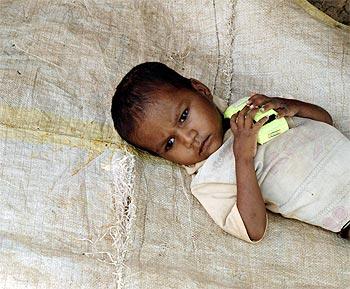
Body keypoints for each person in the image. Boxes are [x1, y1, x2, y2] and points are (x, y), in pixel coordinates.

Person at [111, 62, 350, 243]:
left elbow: (325, 121)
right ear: (163, 157)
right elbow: (253, 228)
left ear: (201, 90)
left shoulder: (248, 110)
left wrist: (292, 106)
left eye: (184, 116)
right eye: (170, 143)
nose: (189, 139)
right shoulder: (210, 179)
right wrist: (243, 157)